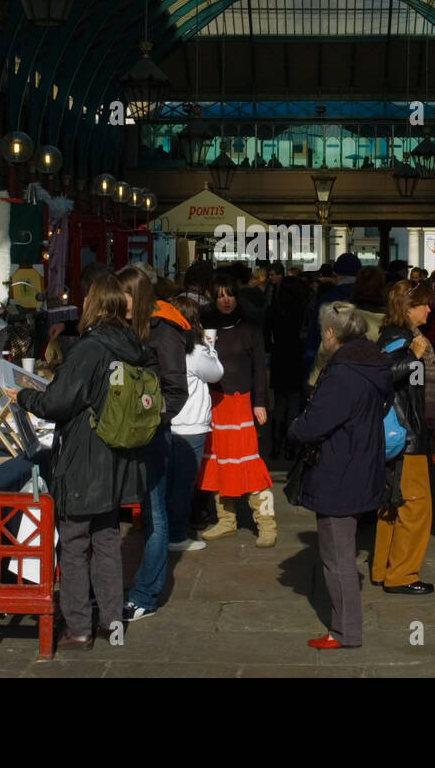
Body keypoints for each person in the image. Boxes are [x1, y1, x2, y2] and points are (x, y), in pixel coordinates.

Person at [16, 274, 150, 650]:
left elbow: (58, 404)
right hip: (115, 457)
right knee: (107, 540)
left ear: (93, 304)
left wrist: (24, 396)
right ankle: (113, 624)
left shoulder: (90, 348)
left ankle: (78, 628)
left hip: (83, 459)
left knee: (73, 543)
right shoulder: (132, 343)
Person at [290, 302, 393, 649]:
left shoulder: (343, 370)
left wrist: (295, 427)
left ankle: (346, 631)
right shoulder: (371, 361)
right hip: (361, 462)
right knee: (341, 554)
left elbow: (315, 423)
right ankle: (345, 627)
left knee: (338, 558)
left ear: (332, 333)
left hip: (340, 470)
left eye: (323, 331)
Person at [116, 266, 190, 622]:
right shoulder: (123, 326)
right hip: (121, 433)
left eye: (124, 296)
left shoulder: (166, 331)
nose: (119, 303)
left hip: (152, 434)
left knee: (155, 515)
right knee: (142, 514)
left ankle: (145, 595)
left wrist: (152, 420)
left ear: (139, 295)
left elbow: (177, 389)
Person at [197, 273, 276, 546]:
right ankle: (226, 520)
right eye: (219, 295)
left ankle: (266, 524)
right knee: (219, 463)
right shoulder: (205, 326)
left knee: (251, 465)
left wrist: (260, 402)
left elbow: (259, 370)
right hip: (215, 403)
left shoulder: (250, 328)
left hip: (243, 404)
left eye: (229, 294)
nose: (226, 300)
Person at [372, 279, 435, 595]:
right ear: (407, 308)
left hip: (397, 434)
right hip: (406, 435)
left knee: (393, 505)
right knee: (416, 508)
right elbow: (383, 373)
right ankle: (401, 575)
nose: (429, 309)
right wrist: (414, 355)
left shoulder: (390, 337)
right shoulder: (404, 341)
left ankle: (384, 568)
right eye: (423, 303)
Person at [167, 295, 223, 551]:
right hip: (190, 426)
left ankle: (161, 532)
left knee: (166, 482)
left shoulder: (161, 346)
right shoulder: (195, 350)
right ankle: (176, 536)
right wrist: (210, 345)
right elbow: (216, 373)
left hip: (165, 423)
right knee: (183, 484)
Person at [305, 265, 385, 388]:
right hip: (373, 390)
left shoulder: (343, 316)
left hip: (339, 386)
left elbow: (324, 352)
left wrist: (312, 383)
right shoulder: (389, 322)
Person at [265, 274, 308, 458]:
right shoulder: (303, 309)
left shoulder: (273, 309)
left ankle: (276, 446)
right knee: (294, 403)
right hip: (297, 356)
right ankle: (291, 447)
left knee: (280, 402)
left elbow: (266, 336)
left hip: (279, 355)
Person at [301, 251, 361, 376]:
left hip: (330, 365)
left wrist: (309, 371)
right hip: (360, 365)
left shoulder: (327, 298)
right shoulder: (365, 297)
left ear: (337, 274)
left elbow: (315, 336)